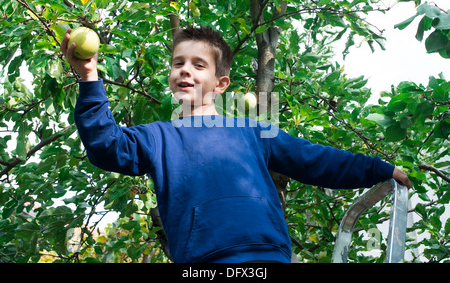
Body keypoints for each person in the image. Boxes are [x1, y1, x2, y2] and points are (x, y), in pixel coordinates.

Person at [60, 26, 411, 263]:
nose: (185, 70)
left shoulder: (253, 131)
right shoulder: (157, 137)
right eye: (178, 63)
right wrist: (89, 77)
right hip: (203, 258)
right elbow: (105, 145)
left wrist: (380, 169)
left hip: (266, 254)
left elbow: (316, 159)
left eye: (199, 65)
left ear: (221, 82)